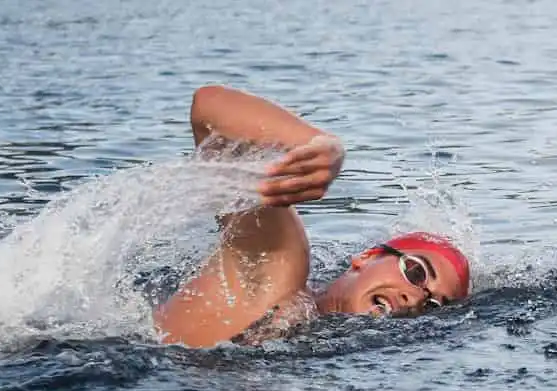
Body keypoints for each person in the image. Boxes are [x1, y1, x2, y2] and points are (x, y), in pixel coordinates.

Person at [152, 85, 472, 348]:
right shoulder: (278, 271)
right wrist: (321, 145)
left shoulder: (318, 332)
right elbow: (208, 106)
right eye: (415, 272)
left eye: (432, 305)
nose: (413, 298)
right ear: (366, 257)